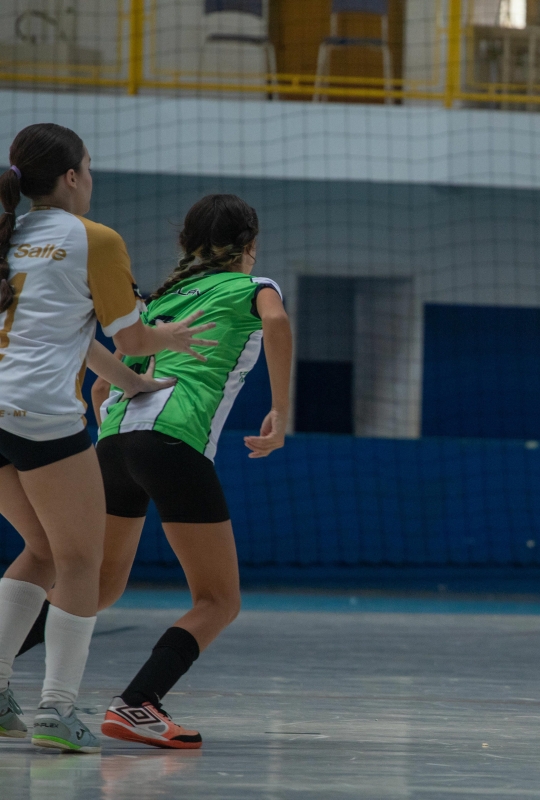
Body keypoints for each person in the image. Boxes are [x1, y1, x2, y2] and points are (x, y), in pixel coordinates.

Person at [0, 123, 216, 753]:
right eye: (89, 168)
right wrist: (170, 339)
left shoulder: (9, 233)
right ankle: (57, 711)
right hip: (40, 414)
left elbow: (78, 339)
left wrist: (133, 384)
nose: (91, 179)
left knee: (43, 549)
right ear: (72, 176)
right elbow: (132, 336)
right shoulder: (95, 238)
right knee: (80, 561)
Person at [87, 193, 292, 749]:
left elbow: (102, 386)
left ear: (188, 244)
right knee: (219, 600)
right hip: (173, 440)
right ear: (250, 245)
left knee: (97, 586)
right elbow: (276, 322)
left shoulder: (159, 300)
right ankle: (137, 703)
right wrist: (281, 410)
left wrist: (114, 428)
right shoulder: (254, 287)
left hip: (115, 440)